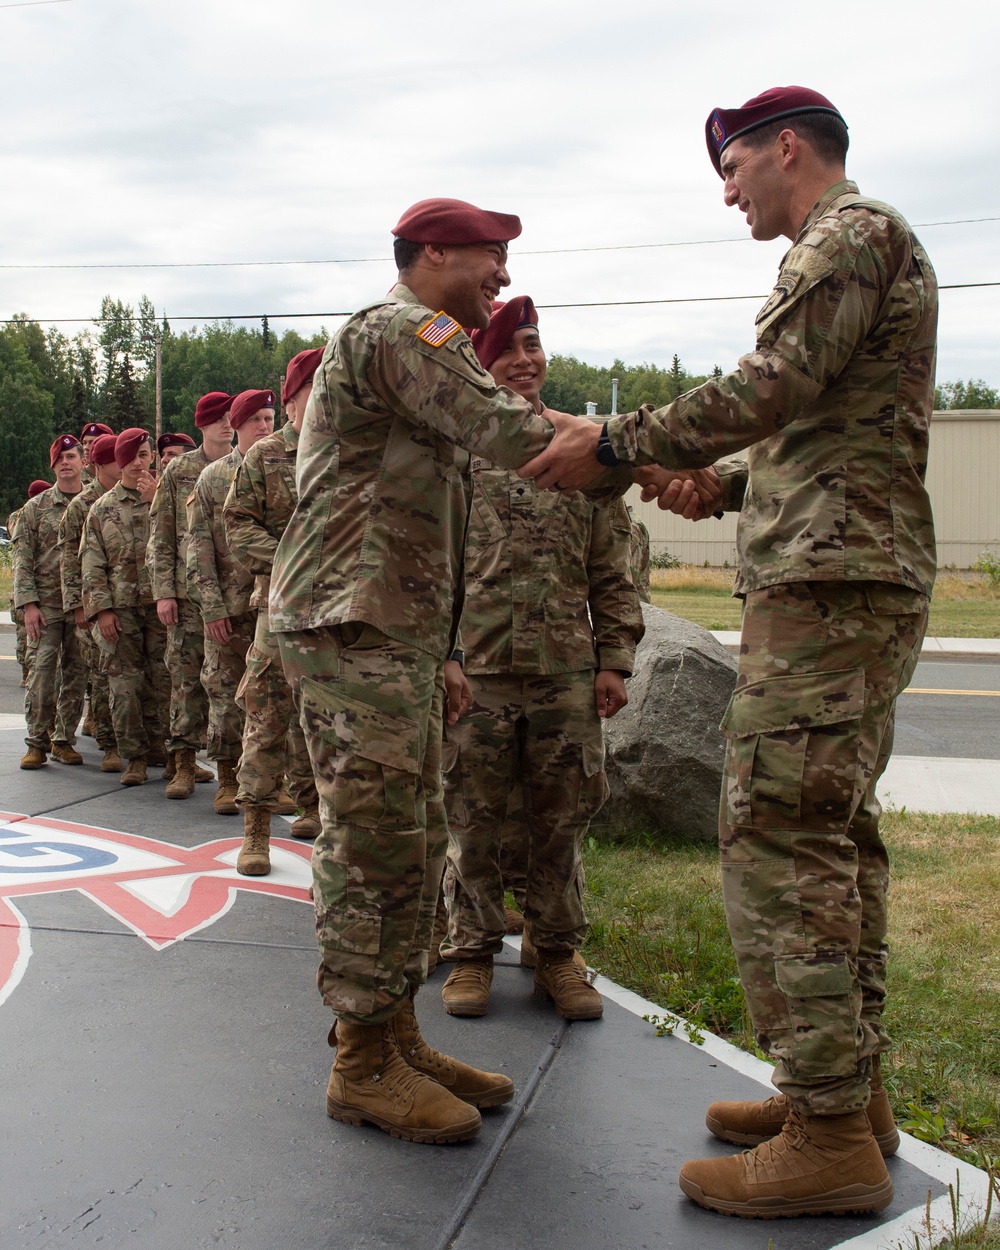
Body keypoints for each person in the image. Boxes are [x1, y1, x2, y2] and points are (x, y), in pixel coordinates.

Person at [517, 86, 937, 1219]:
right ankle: (846, 1094)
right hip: (837, 563)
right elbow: (822, 425)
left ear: (784, 147)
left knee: (777, 834)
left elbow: (772, 386)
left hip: (832, 580)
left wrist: (615, 441)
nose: (726, 188)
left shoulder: (846, 234)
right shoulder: (860, 245)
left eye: (734, 165)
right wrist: (722, 481)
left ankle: (829, 1132)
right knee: (831, 836)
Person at [268, 197, 646, 1146]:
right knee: (372, 847)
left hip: (391, 631)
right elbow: (514, 433)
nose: (503, 277)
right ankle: (361, 1064)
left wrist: (438, 647)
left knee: (416, 830)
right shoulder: (407, 331)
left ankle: (395, 1034)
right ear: (431, 251)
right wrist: (653, 456)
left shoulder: (419, 347)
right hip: (355, 628)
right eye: (491, 256)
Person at [439, 296, 643, 1022]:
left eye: (533, 345)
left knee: (562, 817)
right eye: (508, 351)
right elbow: (434, 568)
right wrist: (446, 656)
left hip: (563, 669)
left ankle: (556, 953)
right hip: (481, 671)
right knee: (474, 815)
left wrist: (613, 657)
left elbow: (611, 567)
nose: (525, 361)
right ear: (483, 367)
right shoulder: (459, 455)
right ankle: (470, 952)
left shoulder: (580, 452)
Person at [223, 352, 323, 875]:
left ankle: (321, 817)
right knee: (266, 717)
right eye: (314, 389)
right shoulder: (265, 456)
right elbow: (237, 524)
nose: (326, 397)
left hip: (340, 614)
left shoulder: (353, 451)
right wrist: (288, 561)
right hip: (279, 609)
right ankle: (256, 830)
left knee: (329, 724)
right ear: (290, 400)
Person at [186, 389, 275, 815]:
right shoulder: (213, 479)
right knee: (223, 695)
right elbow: (198, 547)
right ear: (236, 426)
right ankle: (226, 780)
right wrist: (212, 608)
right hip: (229, 607)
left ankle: (275, 784)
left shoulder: (286, 469)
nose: (264, 426)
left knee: (275, 700)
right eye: (255, 419)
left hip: (273, 608)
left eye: (269, 418)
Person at [147, 393, 233, 798]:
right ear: (201, 425)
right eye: (217, 418)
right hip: (186, 597)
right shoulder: (179, 470)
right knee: (185, 682)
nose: (227, 424)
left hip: (234, 596)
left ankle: (230, 772)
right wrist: (164, 592)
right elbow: (161, 537)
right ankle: (183, 763)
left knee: (230, 687)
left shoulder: (246, 463)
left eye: (231, 417)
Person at [80, 429, 169, 786]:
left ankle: (165, 748)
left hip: (162, 608)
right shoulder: (101, 509)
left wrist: (155, 502)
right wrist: (101, 610)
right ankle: (134, 757)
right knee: (125, 686)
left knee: (165, 682)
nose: (137, 463)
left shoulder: (166, 499)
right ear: (118, 461)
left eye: (144, 455)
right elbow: (91, 564)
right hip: (121, 611)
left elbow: (183, 542)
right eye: (130, 457)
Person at [13, 436, 88, 769]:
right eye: (59, 458)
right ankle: (36, 743)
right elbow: (22, 559)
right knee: (43, 673)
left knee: (76, 674)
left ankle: (63, 740)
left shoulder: (93, 502)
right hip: (46, 605)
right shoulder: (36, 508)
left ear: (83, 462)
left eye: (71, 456)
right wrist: (28, 604)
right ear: (52, 465)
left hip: (84, 605)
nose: (65, 463)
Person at [59, 432, 122, 773]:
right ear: (99, 464)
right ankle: (109, 744)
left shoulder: (132, 494)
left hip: (128, 601)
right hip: (95, 604)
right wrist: (81, 606)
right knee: (101, 675)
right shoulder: (82, 504)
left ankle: (149, 744)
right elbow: (70, 560)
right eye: (116, 458)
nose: (124, 463)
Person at [8, 480, 52, 686]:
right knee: (25, 635)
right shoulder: (22, 515)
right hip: (26, 587)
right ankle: (27, 671)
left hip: (36, 586)